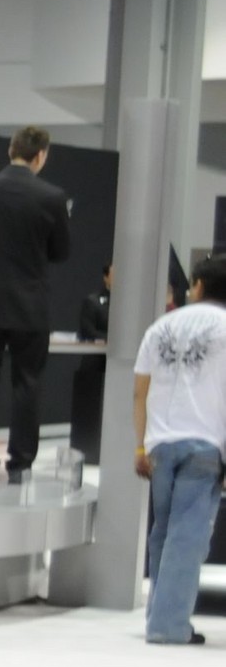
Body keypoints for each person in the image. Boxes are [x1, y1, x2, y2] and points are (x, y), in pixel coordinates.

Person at [0, 125, 72, 483]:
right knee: (28, 384)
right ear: (41, 155)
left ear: (11, 150)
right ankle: (20, 464)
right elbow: (61, 252)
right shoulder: (52, 197)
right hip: (29, 306)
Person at [128, 252, 226, 646]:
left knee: (164, 532)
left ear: (198, 286)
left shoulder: (160, 327)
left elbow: (139, 390)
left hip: (160, 443)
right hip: (205, 440)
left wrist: (139, 445)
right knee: (189, 536)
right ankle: (168, 626)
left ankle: (158, 614)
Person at [72, 261, 111, 464]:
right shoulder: (93, 301)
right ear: (106, 277)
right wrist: (113, 338)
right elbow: (88, 330)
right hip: (95, 364)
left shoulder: (128, 304)